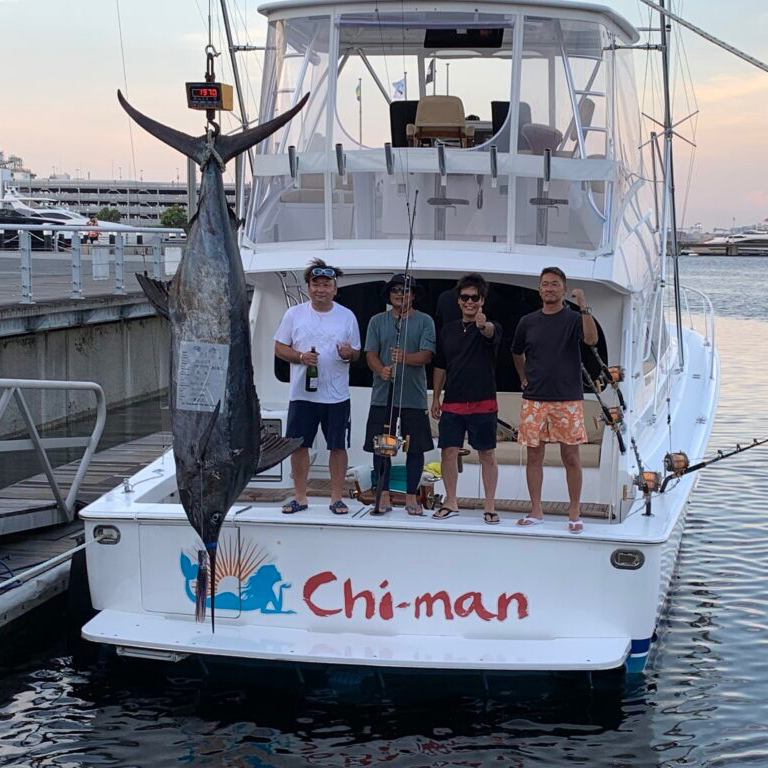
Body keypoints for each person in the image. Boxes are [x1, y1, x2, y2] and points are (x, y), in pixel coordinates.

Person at [511, 266, 598, 534]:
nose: (549, 288)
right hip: (534, 399)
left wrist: (583, 306)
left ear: (563, 289)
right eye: (545, 284)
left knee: (571, 457)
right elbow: (516, 352)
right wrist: (523, 377)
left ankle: (574, 512)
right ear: (539, 289)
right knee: (534, 456)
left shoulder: (574, 319)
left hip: (567, 399)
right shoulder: (527, 321)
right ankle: (536, 510)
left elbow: (591, 339)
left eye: (555, 284)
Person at [274, 259, 361, 515]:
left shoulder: (347, 316)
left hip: (336, 395)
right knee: (299, 446)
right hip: (302, 394)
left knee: (338, 446)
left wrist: (348, 354)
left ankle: (336, 498)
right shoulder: (293, 314)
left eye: (326, 285)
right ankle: (300, 497)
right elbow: (279, 348)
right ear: (308, 287)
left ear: (335, 288)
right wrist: (300, 357)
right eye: (316, 285)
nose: (320, 290)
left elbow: (356, 352)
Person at [431, 273, 502, 525]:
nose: (470, 301)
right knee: (448, 452)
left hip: (484, 403)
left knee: (487, 454)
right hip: (452, 402)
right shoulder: (447, 330)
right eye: (465, 297)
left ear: (482, 300)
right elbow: (440, 366)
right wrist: (436, 397)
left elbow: (490, 333)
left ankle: (490, 505)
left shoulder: (491, 326)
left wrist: (483, 325)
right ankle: (451, 501)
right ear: (459, 300)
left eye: (475, 297)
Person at [364, 274, 436, 516]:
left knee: (415, 449)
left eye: (405, 290)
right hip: (382, 397)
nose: (399, 294)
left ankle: (411, 497)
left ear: (413, 295)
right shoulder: (376, 321)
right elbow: (370, 354)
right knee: (381, 446)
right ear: (389, 295)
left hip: (414, 397)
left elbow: (427, 355)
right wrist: (380, 369)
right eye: (395, 290)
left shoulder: (425, 321)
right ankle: (383, 495)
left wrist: (405, 357)